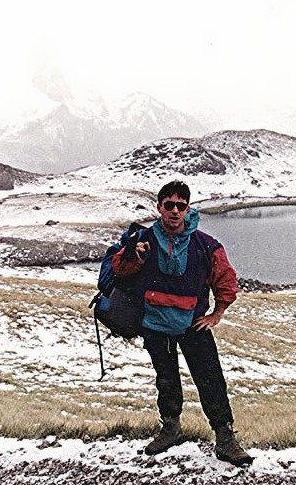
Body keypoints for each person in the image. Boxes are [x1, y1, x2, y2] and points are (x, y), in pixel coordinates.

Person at [112, 180, 253, 467]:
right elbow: (119, 269)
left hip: (193, 324)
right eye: (169, 205)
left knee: (210, 379)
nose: (175, 211)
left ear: (188, 208)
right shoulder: (143, 240)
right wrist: (134, 256)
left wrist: (216, 314)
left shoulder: (205, 244)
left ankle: (225, 437)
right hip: (155, 325)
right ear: (159, 207)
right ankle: (171, 429)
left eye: (181, 205)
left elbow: (226, 280)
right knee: (166, 379)